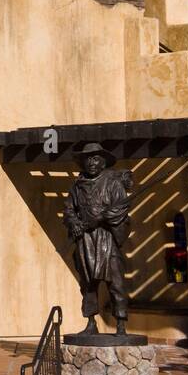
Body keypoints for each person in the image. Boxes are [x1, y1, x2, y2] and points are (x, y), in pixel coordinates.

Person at [62, 142, 132, 336]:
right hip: (85, 240)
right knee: (87, 283)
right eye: (88, 159)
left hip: (107, 237)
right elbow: (68, 209)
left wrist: (102, 218)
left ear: (103, 162)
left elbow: (121, 208)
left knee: (116, 282)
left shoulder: (113, 183)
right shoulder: (77, 186)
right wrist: (75, 223)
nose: (91, 163)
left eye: (95, 158)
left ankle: (120, 325)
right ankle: (91, 322)